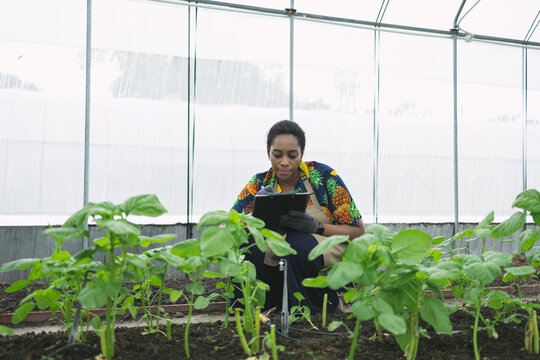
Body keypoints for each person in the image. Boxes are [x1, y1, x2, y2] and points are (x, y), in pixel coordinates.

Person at [231, 120, 365, 313]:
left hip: (324, 245)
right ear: (268, 152)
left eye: (292, 155)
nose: (284, 162)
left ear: (302, 153)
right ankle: (251, 308)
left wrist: (316, 227)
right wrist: (254, 216)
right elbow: (229, 226)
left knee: (297, 243)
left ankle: (313, 310)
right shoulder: (259, 183)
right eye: (277, 155)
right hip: (280, 254)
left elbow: (358, 232)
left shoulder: (323, 176)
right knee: (249, 243)